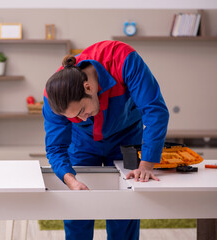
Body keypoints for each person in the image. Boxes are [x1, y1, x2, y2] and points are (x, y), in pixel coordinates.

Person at [42, 40, 169, 240]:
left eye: (82, 111)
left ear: (88, 87)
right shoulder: (54, 98)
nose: (82, 118)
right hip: (82, 141)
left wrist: (147, 163)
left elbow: (155, 111)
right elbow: (56, 147)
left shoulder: (123, 59)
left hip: (126, 135)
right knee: (78, 210)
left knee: (124, 208)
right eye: (74, 117)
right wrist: (69, 179)